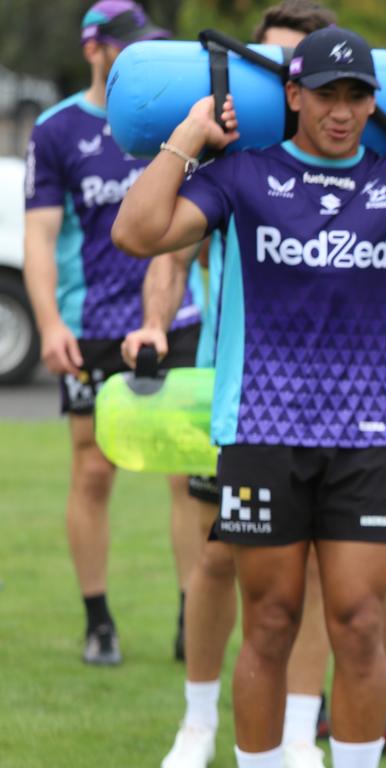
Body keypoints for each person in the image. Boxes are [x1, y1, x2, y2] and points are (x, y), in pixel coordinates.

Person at [113, 25, 386, 768]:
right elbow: (136, 233)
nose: (340, 110)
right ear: (293, 95)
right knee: (268, 621)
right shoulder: (243, 175)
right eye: (325, 94)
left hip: (369, 435)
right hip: (261, 433)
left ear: (373, 103)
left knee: (360, 624)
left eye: (356, 95)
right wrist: (187, 136)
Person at [22, 0, 203, 667]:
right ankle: (99, 620)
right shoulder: (57, 129)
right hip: (92, 323)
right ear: (93, 48)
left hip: (180, 316)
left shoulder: (173, 122)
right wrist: (48, 324)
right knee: (93, 470)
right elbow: (39, 237)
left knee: (188, 474)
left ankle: (194, 612)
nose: (139, 59)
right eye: (127, 47)